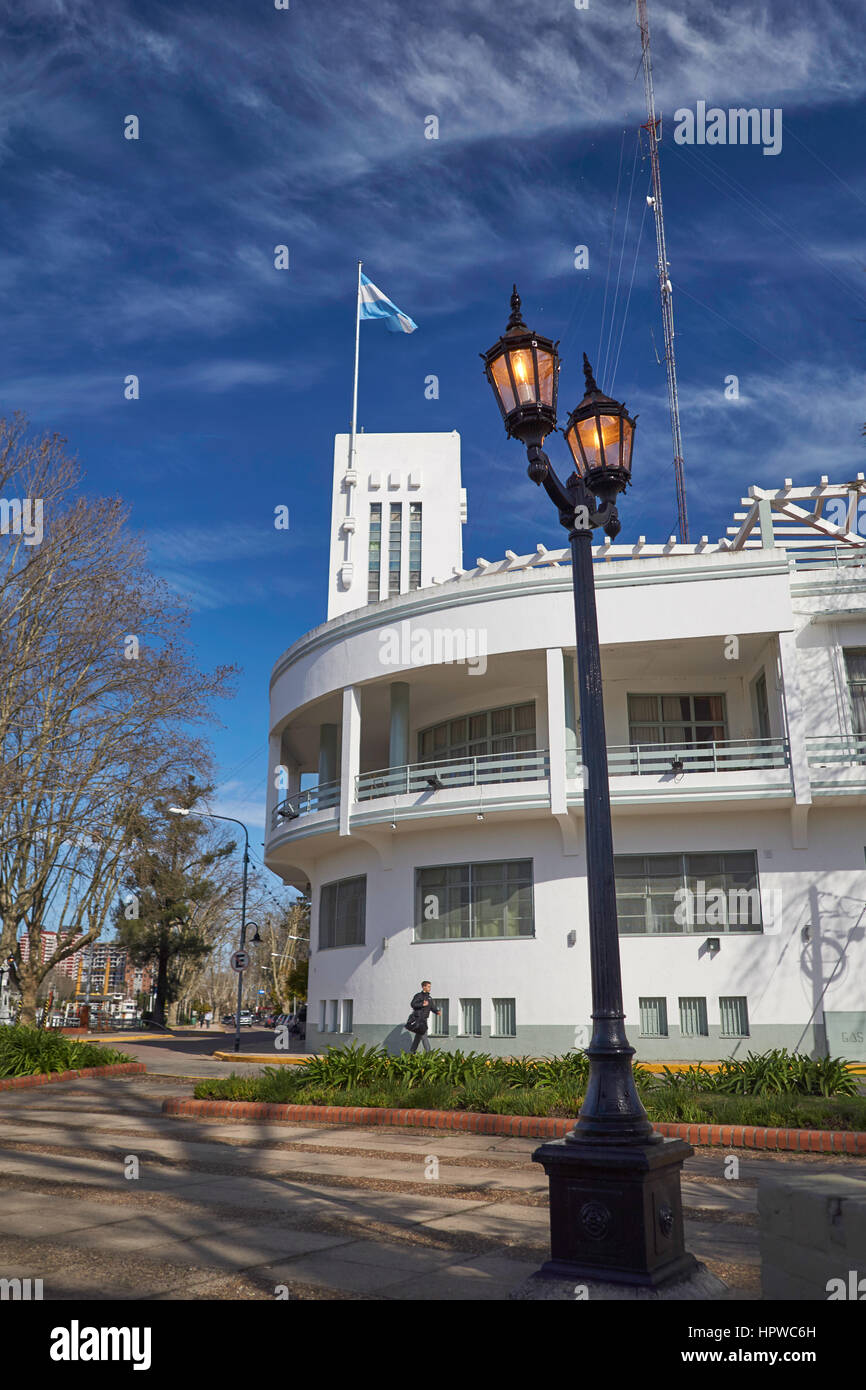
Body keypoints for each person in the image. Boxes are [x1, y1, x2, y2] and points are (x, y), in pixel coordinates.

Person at [407, 981, 440, 1053]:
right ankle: (429, 1054)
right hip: (419, 1019)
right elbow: (413, 1004)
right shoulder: (418, 995)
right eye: (428, 986)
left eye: (430, 986)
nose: (430, 988)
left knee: (418, 1037)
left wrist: (437, 1011)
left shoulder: (429, 998)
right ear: (423, 987)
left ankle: (411, 1052)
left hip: (424, 1019)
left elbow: (432, 1007)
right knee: (424, 1036)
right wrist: (422, 1004)